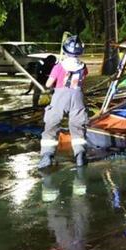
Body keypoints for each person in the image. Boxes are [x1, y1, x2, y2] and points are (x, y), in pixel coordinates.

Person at [38, 37, 89, 168]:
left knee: (52, 125)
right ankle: (80, 155)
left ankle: (47, 156)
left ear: (65, 51)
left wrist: (51, 82)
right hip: (77, 96)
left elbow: (49, 84)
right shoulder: (83, 67)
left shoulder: (59, 66)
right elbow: (83, 84)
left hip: (60, 96)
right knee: (77, 127)